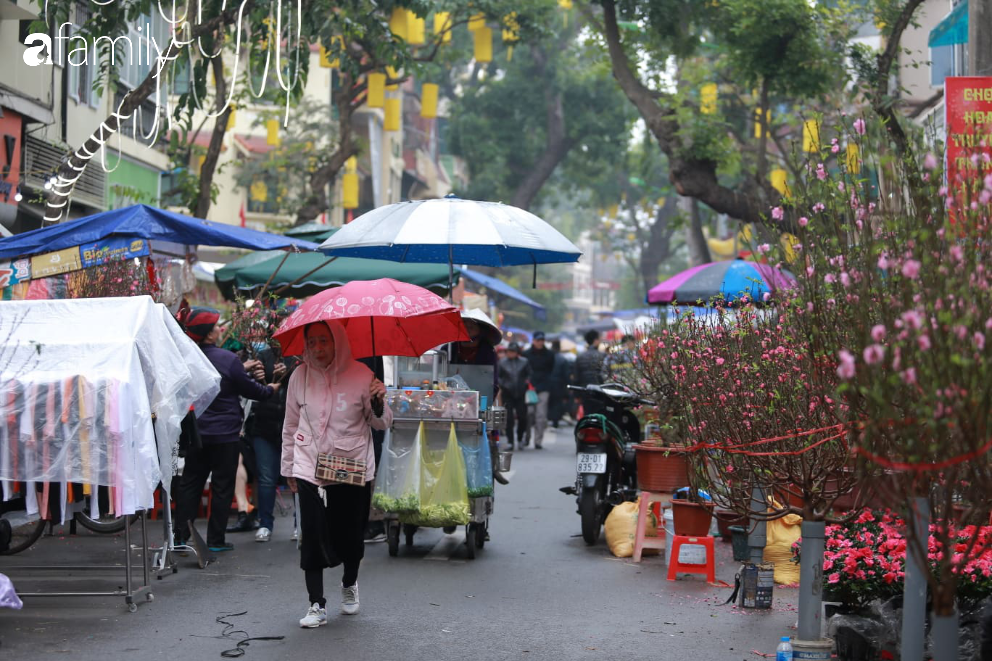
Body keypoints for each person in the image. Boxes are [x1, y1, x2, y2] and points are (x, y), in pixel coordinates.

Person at [282, 320, 391, 627]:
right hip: (309, 463)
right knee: (313, 533)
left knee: (350, 535)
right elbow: (290, 424)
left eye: (324, 341)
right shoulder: (298, 377)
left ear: (337, 342)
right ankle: (316, 603)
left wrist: (379, 403)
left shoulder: (362, 376)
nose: (317, 348)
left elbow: (380, 424)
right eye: (312, 342)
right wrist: (288, 466)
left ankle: (349, 582)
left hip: (351, 464)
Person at [175, 308, 281, 553]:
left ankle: (180, 537)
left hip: (196, 433)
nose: (219, 329)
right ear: (209, 335)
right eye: (215, 327)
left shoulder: (187, 358)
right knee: (222, 487)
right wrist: (271, 388)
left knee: (190, 484)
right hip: (225, 435)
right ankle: (215, 540)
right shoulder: (227, 359)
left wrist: (241, 369)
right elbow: (251, 390)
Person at [243, 339, 297, 543]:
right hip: (264, 427)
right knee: (266, 479)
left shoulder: (300, 359)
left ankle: (299, 524)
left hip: (293, 428)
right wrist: (256, 376)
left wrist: (290, 373)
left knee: (297, 478)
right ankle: (265, 524)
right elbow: (249, 386)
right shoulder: (261, 356)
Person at [447, 309, 507, 485]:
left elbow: (493, 381)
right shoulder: (449, 348)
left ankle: (493, 464)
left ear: (480, 330)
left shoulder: (488, 352)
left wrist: (484, 399)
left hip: (480, 398)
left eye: (472, 326)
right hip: (451, 399)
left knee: (490, 427)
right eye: (464, 325)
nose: (468, 328)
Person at [522, 331, 555, 449]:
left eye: (542, 340)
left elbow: (550, 371)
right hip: (529, 388)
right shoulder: (525, 354)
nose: (540, 342)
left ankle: (538, 441)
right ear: (534, 340)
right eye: (538, 340)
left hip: (544, 387)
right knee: (528, 414)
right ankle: (526, 437)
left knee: (541, 415)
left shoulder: (550, 354)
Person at [498, 341, 531, 450]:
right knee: (509, 418)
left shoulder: (524, 362)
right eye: (509, 351)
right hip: (507, 393)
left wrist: (526, 383)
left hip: (521, 393)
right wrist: (503, 385)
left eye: (513, 351)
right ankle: (510, 441)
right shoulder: (502, 363)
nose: (511, 353)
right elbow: (498, 376)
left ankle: (520, 438)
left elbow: (529, 374)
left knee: (522, 417)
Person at [574, 329, 606, 416]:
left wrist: (577, 395)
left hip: (585, 390)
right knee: (600, 414)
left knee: (587, 414)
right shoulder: (602, 355)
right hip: (600, 390)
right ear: (595, 341)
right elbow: (605, 375)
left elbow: (576, 377)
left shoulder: (580, 357)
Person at [548, 338, 572, 428]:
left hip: (548, 383)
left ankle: (549, 418)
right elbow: (566, 374)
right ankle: (555, 421)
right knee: (557, 403)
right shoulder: (562, 359)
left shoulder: (548, 357)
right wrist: (569, 385)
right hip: (559, 384)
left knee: (549, 401)